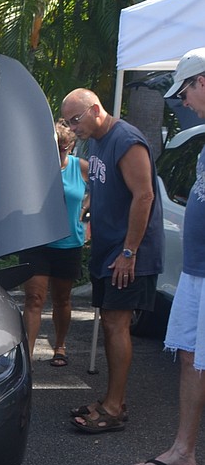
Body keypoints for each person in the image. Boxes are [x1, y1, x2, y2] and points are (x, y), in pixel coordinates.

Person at [60, 87, 163, 433]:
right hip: (108, 251)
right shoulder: (98, 142)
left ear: (95, 109)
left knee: (117, 324)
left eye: (76, 121)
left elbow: (144, 195)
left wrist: (129, 251)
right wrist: (88, 211)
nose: (73, 129)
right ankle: (109, 399)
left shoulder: (126, 139)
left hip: (128, 254)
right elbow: (103, 185)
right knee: (108, 322)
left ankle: (114, 407)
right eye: (69, 123)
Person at [131, 48, 205, 465]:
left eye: (186, 92)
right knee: (189, 358)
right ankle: (183, 451)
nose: (184, 104)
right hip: (195, 273)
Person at [20, 120, 89, 364]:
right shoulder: (34, 168)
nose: (60, 152)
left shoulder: (80, 168)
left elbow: (101, 190)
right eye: (55, 147)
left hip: (68, 243)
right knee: (34, 299)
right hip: (36, 243)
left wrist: (87, 216)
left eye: (65, 147)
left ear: (71, 146)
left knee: (62, 299)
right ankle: (27, 355)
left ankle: (60, 345)